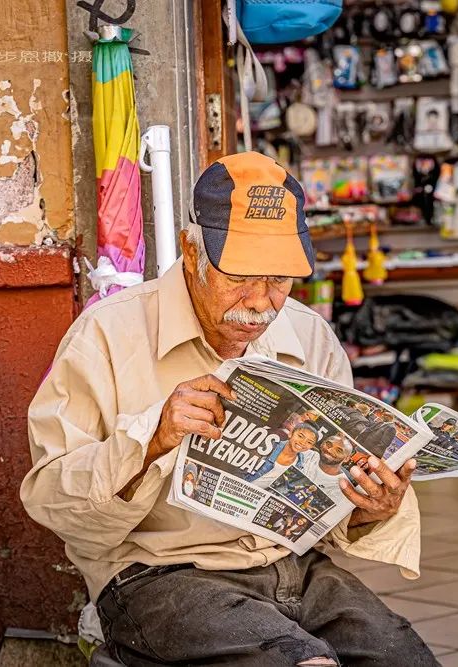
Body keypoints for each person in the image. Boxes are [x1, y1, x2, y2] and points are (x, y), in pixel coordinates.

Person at [21, 152, 432, 667]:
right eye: (240, 275)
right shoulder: (106, 333)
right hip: (162, 574)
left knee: (405, 658)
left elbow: (328, 510)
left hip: (294, 569)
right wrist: (151, 441)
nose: (261, 302)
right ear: (192, 251)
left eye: (280, 279)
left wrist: (372, 508)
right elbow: (51, 499)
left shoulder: (308, 335)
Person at [249, 422, 319, 488]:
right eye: (300, 436)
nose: (303, 443)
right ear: (291, 433)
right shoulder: (270, 446)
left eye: (309, 442)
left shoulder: (300, 464)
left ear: (311, 447)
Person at [298, 435, 355, 507]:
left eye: (339, 451)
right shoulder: (306, 455)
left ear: (346, 458)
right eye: (328, 445)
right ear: (322, 444)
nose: (329, 450)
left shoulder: (343, 487)